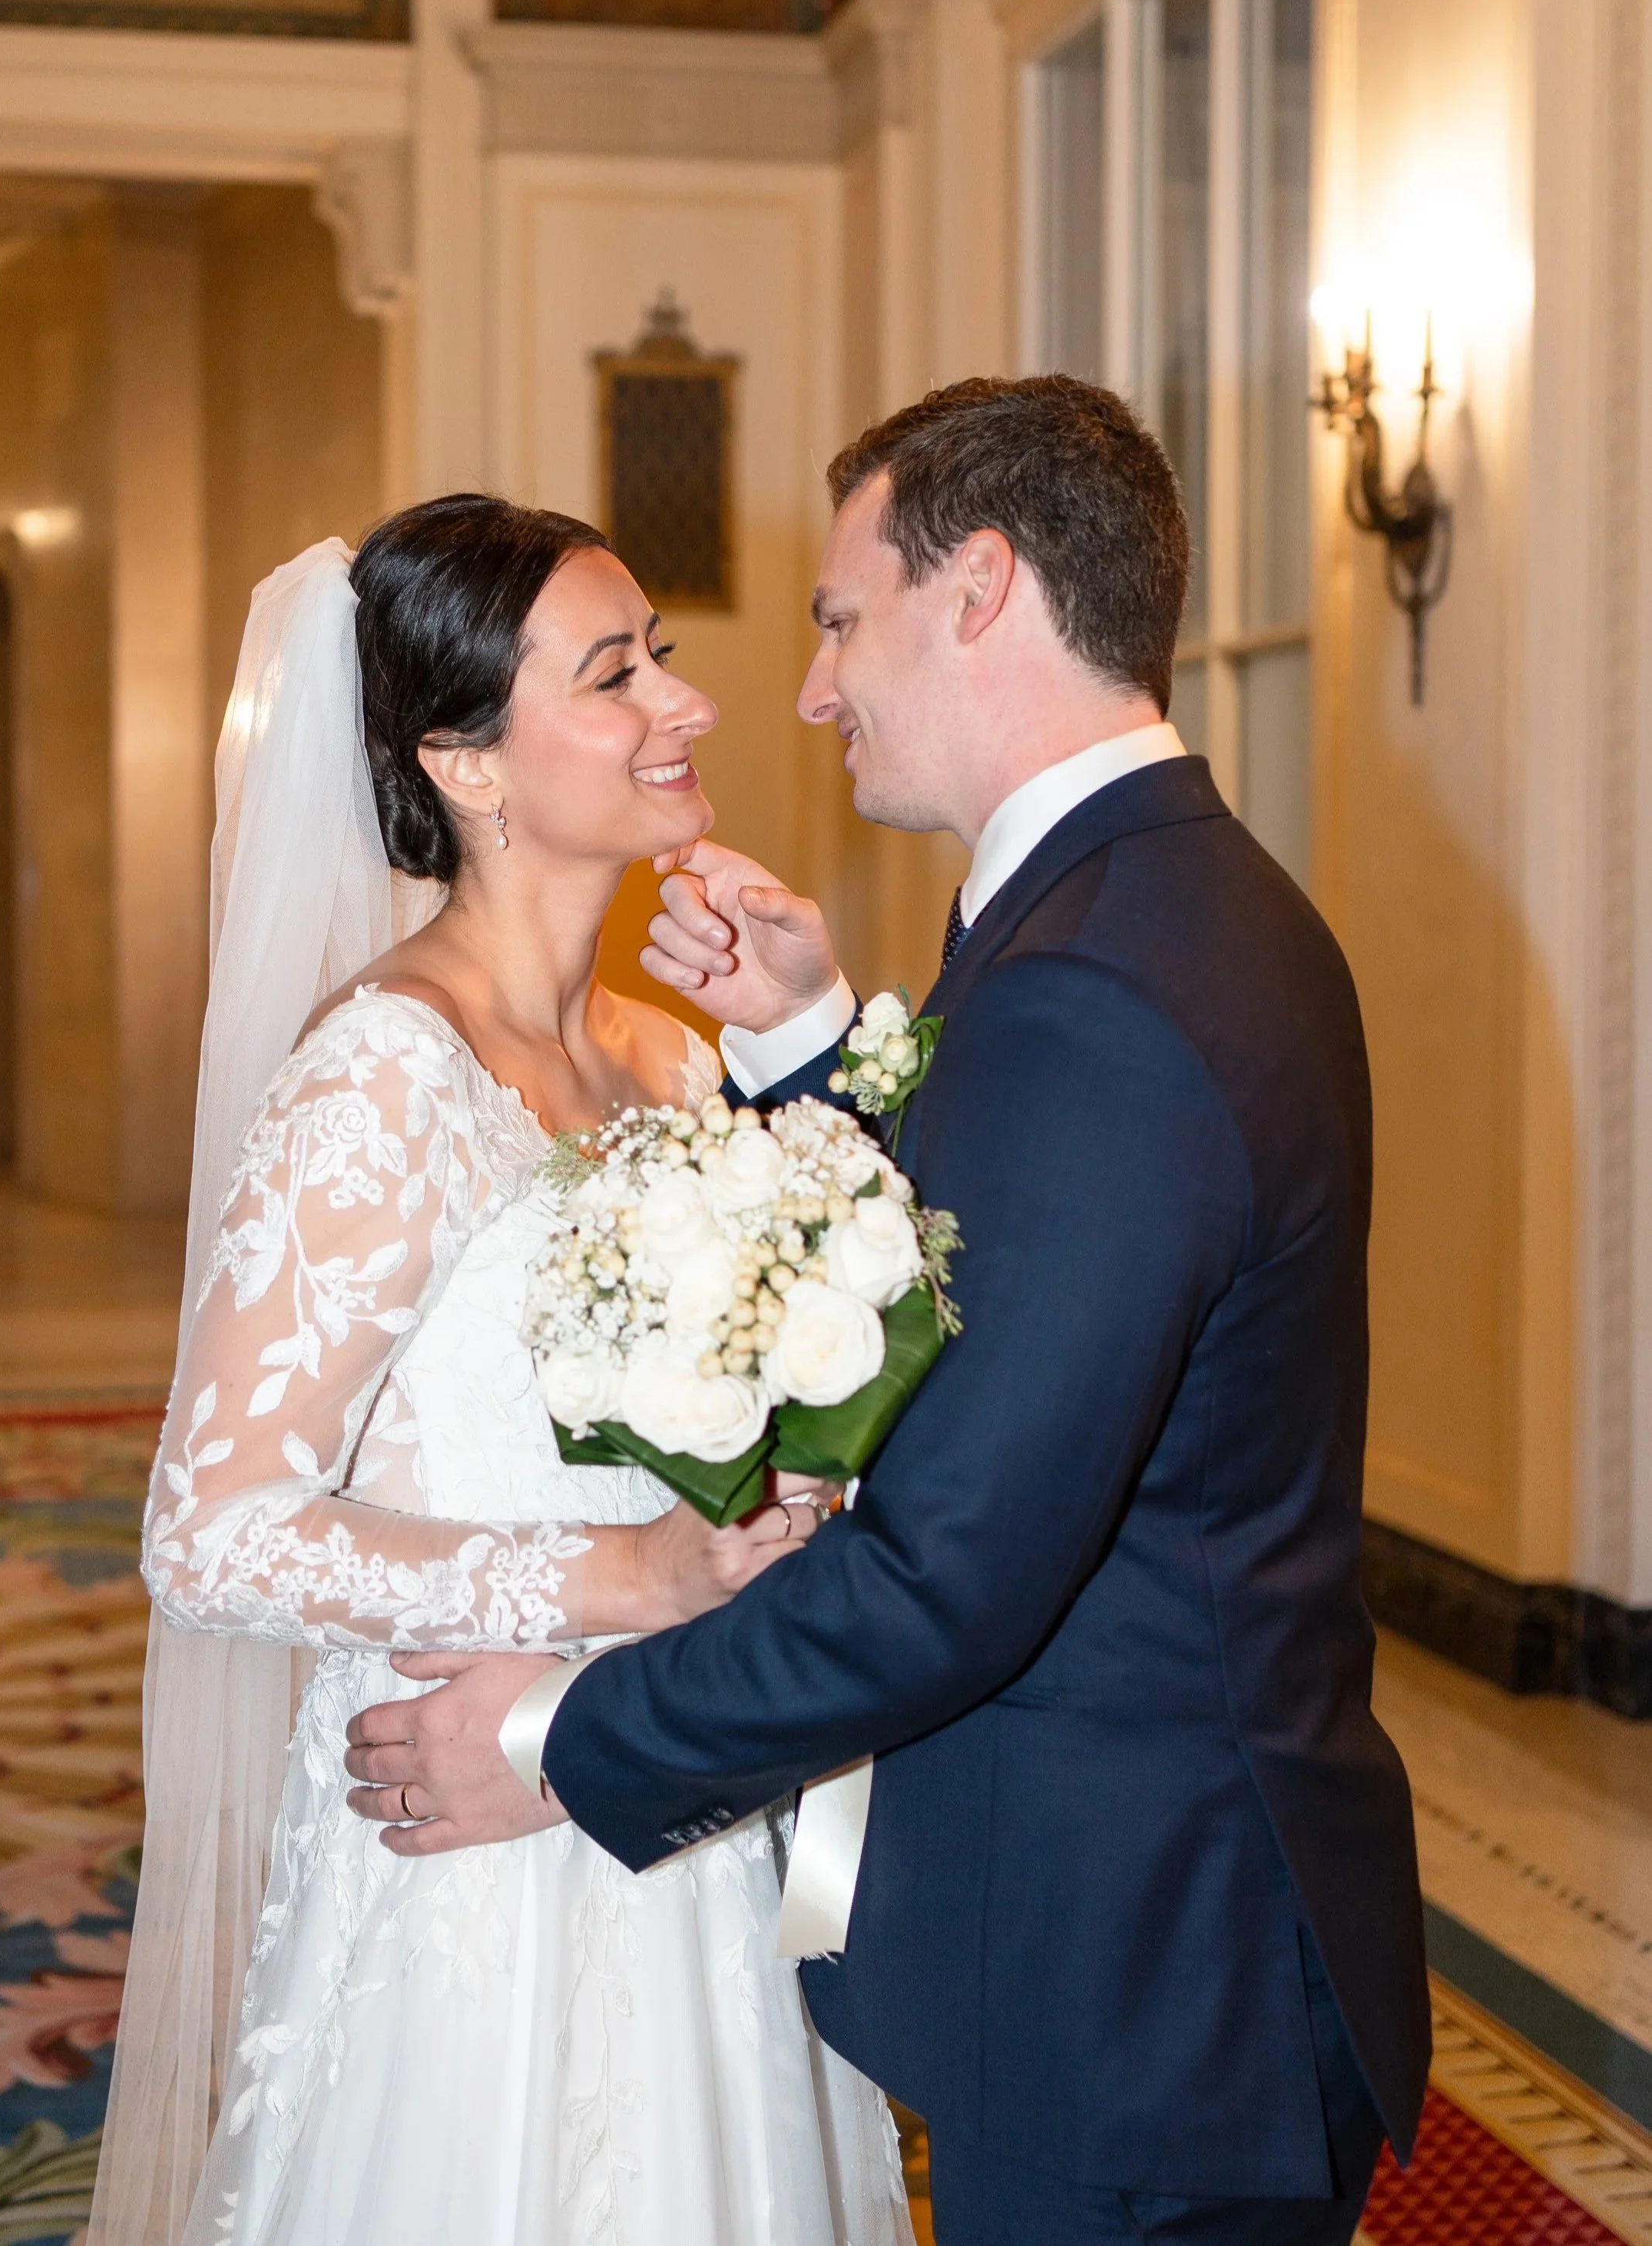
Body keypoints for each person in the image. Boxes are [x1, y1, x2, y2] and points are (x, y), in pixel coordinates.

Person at [340, 378, 1433, 2245]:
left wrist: (550, 1742)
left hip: (1143, 1984)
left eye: (842, 617)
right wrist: (797, 1049)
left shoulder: (1096, 984)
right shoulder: (1164, 910)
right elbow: (983, 1288)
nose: (807, 684)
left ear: (980, 587)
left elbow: (949, 1567)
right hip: (1167, 1932)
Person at [91, 499, 912, 2246]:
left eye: (661, 660)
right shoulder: (383, 1076)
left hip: (675, 1795)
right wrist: (613, 1572)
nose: (682, 708)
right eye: (614, 675)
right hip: (471, 1842)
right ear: (461, 759)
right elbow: (215, 1529)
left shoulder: (676, 1060)